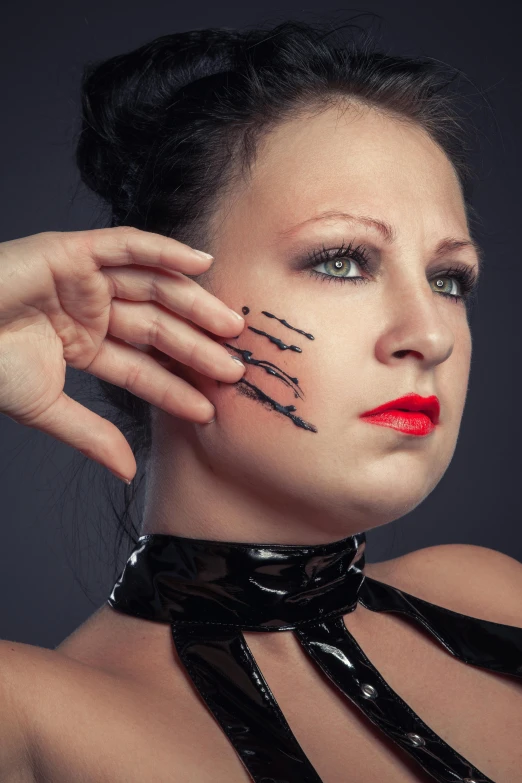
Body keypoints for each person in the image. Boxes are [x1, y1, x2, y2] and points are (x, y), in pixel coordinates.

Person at [0, 17, 521, 783]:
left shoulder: (491, 593)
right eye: (342, 261)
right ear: (159, 300)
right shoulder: (29, 718)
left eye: (450, 280)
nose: (430, 335)